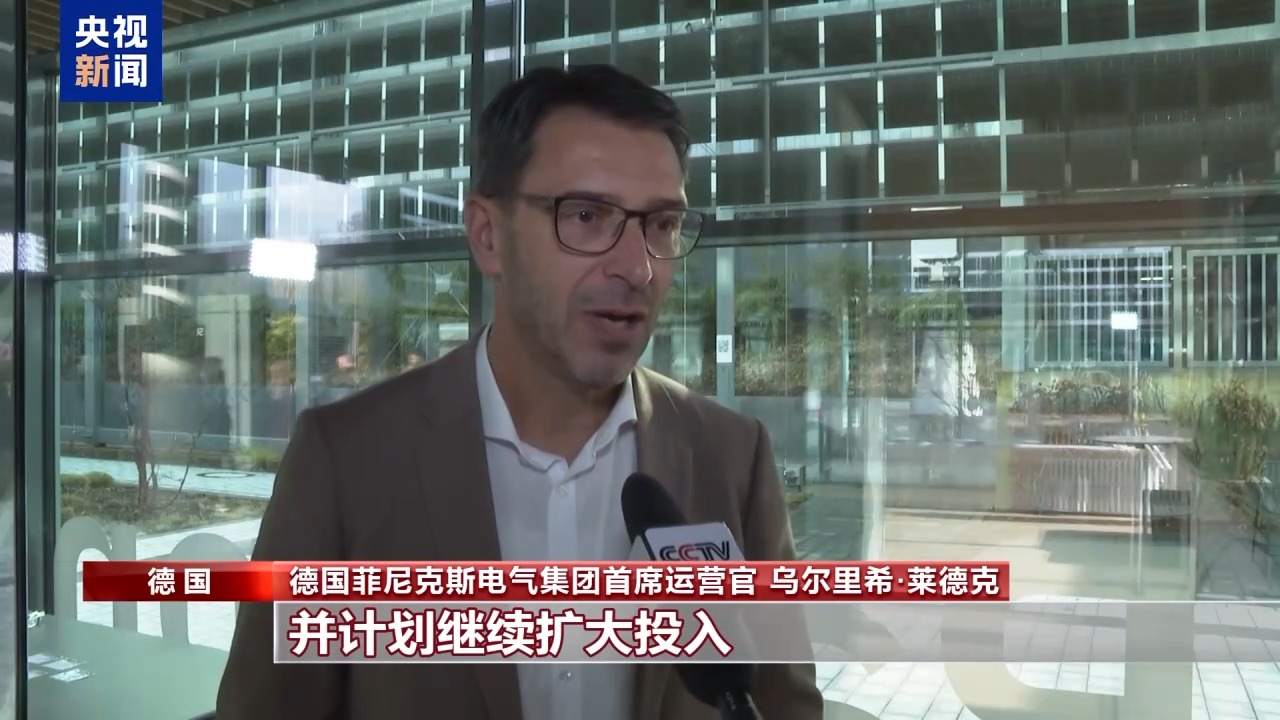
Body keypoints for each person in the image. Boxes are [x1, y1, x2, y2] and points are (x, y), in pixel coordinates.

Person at [216, 64, 822, 720]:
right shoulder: (347, 460)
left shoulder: (731, 457)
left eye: (662, 224)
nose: (637, 267)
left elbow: (784, 705)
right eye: (586, 215)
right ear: (488, 236)